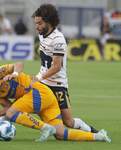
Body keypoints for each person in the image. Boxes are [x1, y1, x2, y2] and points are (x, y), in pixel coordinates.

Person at [0, 62, 111, 142]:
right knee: (60, 134)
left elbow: (19, 64)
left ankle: (45, 128)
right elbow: (9, 107)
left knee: (12, 114)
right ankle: (98, 136)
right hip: (44, 101)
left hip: (38, 92)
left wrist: (15, 74)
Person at [31, 4, 98, 132]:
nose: (36, 26)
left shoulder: (58, 39)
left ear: (49, 22)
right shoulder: (41, 34)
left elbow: (56, 67)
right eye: (36, 23)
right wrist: (39, 79)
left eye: (39, 23)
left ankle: (90, 130)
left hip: (57, 85)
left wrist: (38, 78)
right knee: (16, 105)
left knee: (68, 122)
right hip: (43, 83)